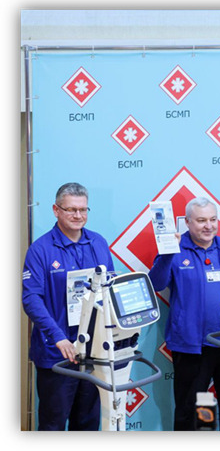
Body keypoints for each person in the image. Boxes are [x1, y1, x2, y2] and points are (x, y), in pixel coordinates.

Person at [22, 182, 114, 430]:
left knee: (87, 424)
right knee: (53, 425)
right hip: (58, 353)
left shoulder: (98, 243)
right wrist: (58, 337)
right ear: (56, 210)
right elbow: (31, 299)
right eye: (71, 209)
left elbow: (109, 289)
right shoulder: (40, 250)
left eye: (83, 209)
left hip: (93, 353)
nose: (78, 215)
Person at [148, 197, 220, 431]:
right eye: (201, 220)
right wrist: (167, 252)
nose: (208, 226)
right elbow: (156, 284)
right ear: (188, 222)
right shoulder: (175, 250)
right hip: (191, 345)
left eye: (213, 219)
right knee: (192, 410)